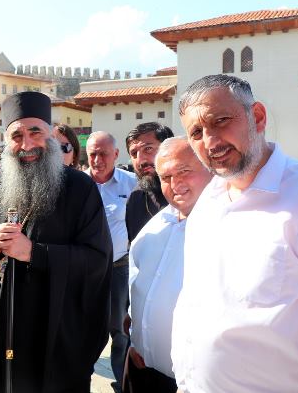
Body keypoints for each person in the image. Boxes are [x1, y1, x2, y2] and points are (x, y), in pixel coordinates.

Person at [171, 75, 298, 393]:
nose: (210, 142)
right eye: (196, 132)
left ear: (257, 117)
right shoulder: (207, 203)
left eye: (221, 121)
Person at [0, 92, 113, 392]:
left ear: (51, 134)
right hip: (0, 324)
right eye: (17, 135)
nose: (26, 144)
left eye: (35, 132)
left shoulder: (80, 188)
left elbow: (97, 258)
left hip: (54, 330)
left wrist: (35, 254)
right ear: (6, 140)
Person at [126, 137, 211, 393]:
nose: (175, 185)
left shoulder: (230, 228)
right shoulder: (154, 226)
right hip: (142, 371)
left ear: (210, 169)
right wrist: (136, 343)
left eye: (184, 172)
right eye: (166, 177)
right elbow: (138, 289)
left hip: (194, 383)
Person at [85, 130, 136, 390]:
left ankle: (120, 380)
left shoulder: (131, 184)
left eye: (103, 153)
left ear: (116, 154)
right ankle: (79, 376)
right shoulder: (77, 185)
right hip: (84, 270)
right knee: (84, 325)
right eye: (92, 153)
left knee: (119, 328)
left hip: (119, 268)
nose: (97, 159)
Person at [124, 122, 174, 244]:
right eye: (134, 153)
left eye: (148, 149)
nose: (140, 160)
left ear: (169, 148)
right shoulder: (136, 199)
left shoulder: (195, 188)